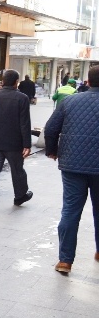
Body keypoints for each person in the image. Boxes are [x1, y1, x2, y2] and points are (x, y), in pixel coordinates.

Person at [43, 65, 99, 274]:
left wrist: (52, 151)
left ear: (88, 81)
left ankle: (65, 261)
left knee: (70, 210)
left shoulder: (69, 101)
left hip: (73, 164)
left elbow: (51, 128)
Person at [0, 69, 33, 213]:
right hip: (14, 142)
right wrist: (27, 144)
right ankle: (20, 196)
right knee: (17, 170)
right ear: (16, 82)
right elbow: (25, 123)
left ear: (3, 81)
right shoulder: (22, 98)